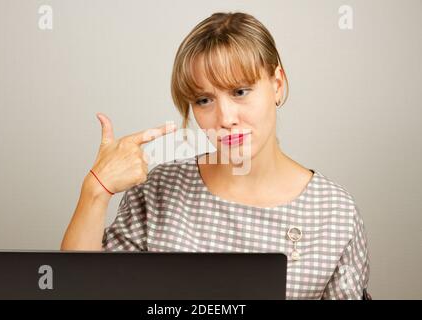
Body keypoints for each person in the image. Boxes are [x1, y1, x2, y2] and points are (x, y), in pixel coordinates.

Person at [61, 12, 370, 300]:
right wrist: (95, 191)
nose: (225, 118)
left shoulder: (334, 213)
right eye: (204, 99)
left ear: (277, 84)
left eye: (240, 92)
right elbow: (81, 291)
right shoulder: (158, 190)